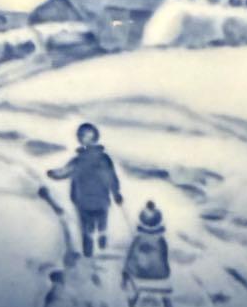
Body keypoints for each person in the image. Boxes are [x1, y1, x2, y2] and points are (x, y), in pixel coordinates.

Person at [47, 122, 122, 257]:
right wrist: (116, 193)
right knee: (97, 222)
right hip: (95, 199)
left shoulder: (85, 160)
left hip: (86, 199)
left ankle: (92, 246)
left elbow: (65, 172)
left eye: (85, 135)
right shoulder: (98, 159)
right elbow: (111, 178)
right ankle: (99, 240)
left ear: (94, 137)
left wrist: (54, 174)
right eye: (81, 135)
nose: (82, 138)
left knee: (89, 225)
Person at [123, 201, 171, 285]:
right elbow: (165, 258)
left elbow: (130, 258)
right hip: (161, 274)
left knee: (133, 254)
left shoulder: (138, 239)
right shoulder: (161, 240)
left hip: (139, 273)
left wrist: (125, 272)